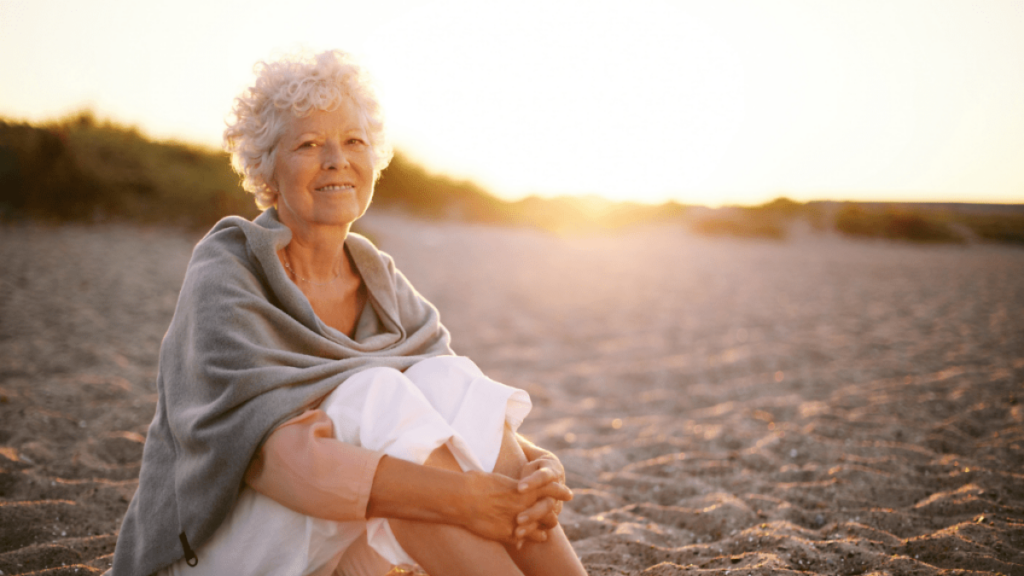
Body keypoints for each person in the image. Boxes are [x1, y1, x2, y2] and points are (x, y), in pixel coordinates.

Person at [107, 50, 587, 576]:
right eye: (309, 144)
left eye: (354, 141)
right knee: (374, 395)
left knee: (442, 377)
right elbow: (273, 462)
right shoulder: (228, 271)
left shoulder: (379, 278)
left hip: (333, 541)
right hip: (207, 546)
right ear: (267, 167)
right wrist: (465, 499)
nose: (336, 160)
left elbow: (452, 418)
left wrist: (535, 468)